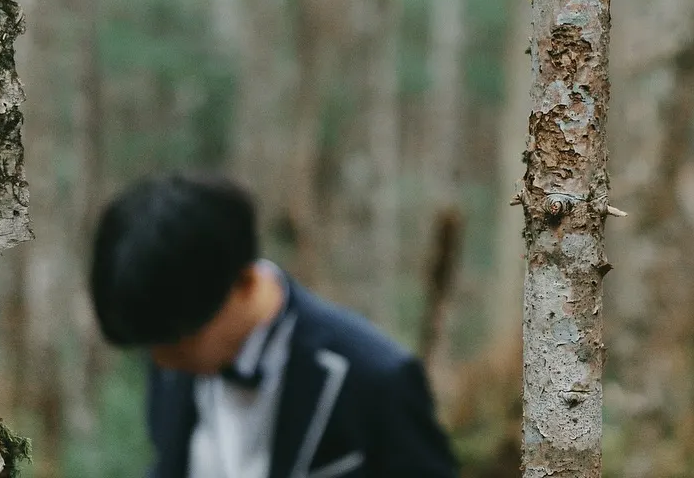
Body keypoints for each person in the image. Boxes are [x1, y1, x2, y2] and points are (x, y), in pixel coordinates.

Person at [89, 172, 459, 478]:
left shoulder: (377, 380)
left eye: (178, 342)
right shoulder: (171, 357)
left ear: (244, 284)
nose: (163, 361)